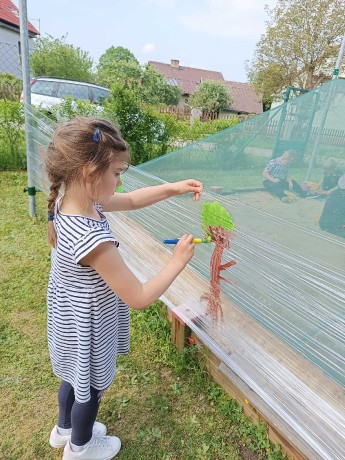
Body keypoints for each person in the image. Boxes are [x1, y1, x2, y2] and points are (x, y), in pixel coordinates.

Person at [44, 117, 203, 460]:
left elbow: (130, 201)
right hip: (88, 327)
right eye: (116, 172)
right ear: (89, 171)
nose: (120, 180)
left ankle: (64, 429)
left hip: (67, 321)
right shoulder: (94, 239)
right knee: (90, 389)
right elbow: (139, 297)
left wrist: (173, 187)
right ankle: (80, 448)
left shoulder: (72, 201)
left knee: (73, 378)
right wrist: (177, 261)